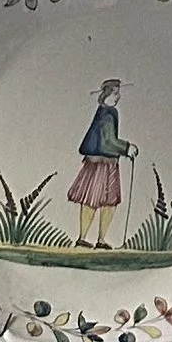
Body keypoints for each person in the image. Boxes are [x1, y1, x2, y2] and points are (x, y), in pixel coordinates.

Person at [69, 80, 133, 249]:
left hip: (101, 162)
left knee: (98, 201)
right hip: (101, 164)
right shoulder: (108, 114)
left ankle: (95, 239)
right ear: (107, 95)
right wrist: (127, 147)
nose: (118, 97)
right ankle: (91, 239)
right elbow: (107, 142)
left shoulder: (105, 112)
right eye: (115, 93)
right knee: (99, 201)